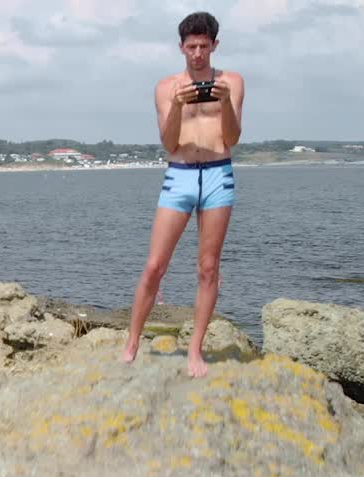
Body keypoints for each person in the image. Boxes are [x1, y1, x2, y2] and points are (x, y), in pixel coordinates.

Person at [121, 11, 245, 377]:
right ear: (181, 47)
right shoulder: (165, 87)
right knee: (155, 265)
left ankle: (195, 351)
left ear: (214, 45)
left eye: (204, 46)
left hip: (218, 173)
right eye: (190, 46)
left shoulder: (232, 82)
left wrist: (223, 101)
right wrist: (177, 104)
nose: (197, 54)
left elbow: (233, 137)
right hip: (180, 174)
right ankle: (131, 343)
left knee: (208, 268)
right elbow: (168, 141)